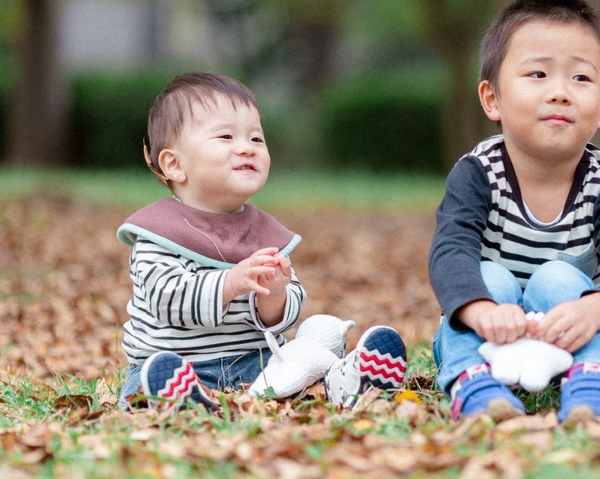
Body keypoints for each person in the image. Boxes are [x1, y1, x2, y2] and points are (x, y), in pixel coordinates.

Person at [429, 0, 600, 425]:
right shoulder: (477, 174)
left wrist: (595, 311)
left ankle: (594, 383)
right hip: (486, 333)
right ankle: (474, 384)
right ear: (492, 98)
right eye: (537, 74)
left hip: (577, 335)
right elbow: (451, 253)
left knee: (558, 276)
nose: (559, 93)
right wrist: (481, 310)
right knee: (488, 274)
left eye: (580, 79)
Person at [117, 71, 405, 410]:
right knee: (154, 379)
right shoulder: (158, 233)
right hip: (179, 362)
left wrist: (277, 294)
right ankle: (180, 397)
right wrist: (231, 282)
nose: (246, 148)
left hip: (254, 363)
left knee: (303, 354)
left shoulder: (261, 231)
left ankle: (345, 382)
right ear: (175, 164)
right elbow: (169, 300)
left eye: (256, 139)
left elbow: (286, 313)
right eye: (226, 136)